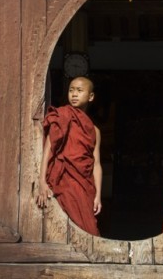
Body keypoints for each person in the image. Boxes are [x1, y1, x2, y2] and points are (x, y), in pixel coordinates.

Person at [36, 76, 103, 236]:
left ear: (91, 96)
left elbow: (96, 164)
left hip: (84, 185)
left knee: (89, 229)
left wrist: (98, 195)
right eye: (71, 90)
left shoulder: (95, 130)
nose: (74, 94)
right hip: (63, 181)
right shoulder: (61, 117)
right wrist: (41, 181)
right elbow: (48, 150)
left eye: (79, 91)